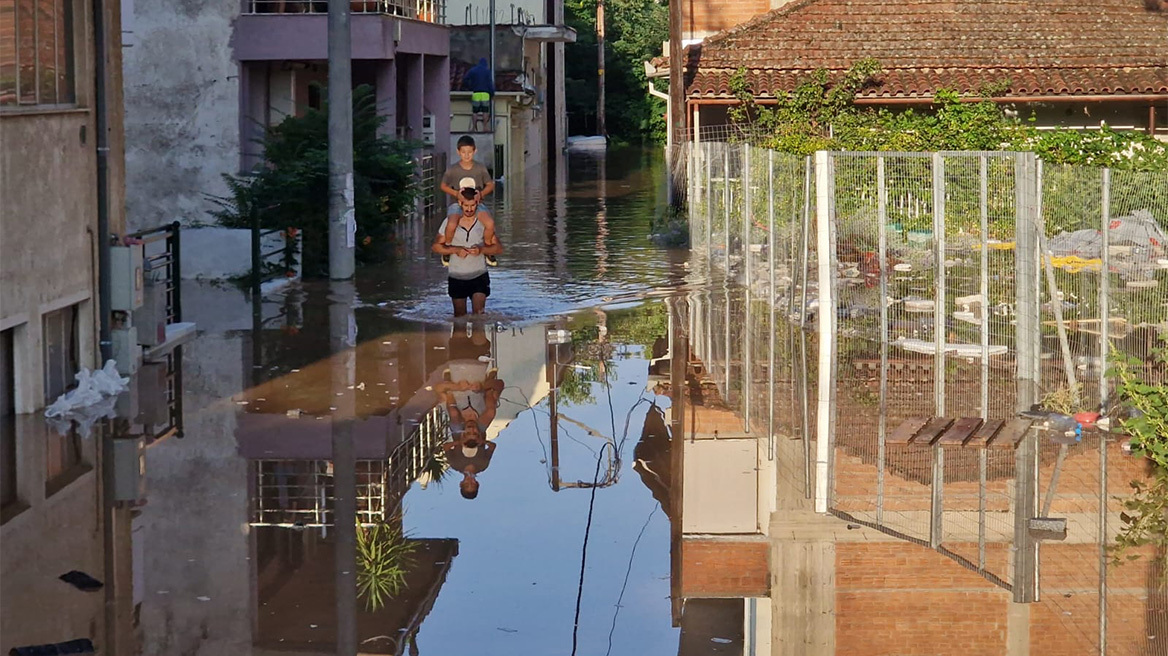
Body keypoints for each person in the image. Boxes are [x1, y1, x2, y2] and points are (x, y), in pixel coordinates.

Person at [431, 186, 502, 316]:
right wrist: (455, 250)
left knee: (479, 315)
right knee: (459, 318)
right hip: (456, 276)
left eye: (472, 205)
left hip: (479, 275)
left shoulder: (483, 223)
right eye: (466, 206)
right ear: (460, 204)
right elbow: (436, 247)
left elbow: (498, 248)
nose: (469, 209)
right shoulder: (449, 222)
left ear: (477, 204)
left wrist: (482, 249)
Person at [462, 57, 494, 133]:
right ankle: (485, 127)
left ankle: (473, 127)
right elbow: (490, 83)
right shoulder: (487, 71)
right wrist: (492, 93)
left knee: (475, 111)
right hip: (485, 94)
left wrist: (470, 86)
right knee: (485, 111)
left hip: (476, 93)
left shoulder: (473, 70)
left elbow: (465, 79)